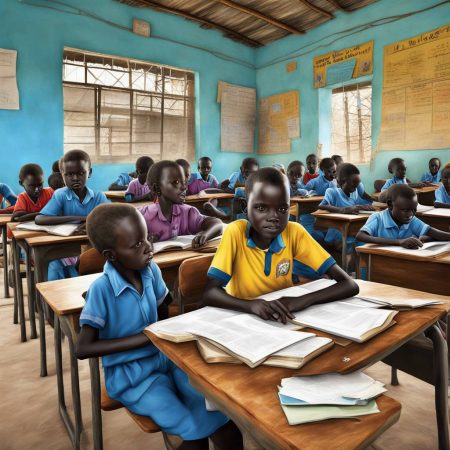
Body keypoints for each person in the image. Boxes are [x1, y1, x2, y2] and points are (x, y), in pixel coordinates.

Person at [76, 204, 243, 450]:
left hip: (165, 360)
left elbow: (163, 313)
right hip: (132, 376)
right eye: (136, 245)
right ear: (111, 255)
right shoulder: (101, 290)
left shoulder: (150, 270)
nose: (148, 247)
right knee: (194, 435)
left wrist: (183, 329)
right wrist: (146, 338)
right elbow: (83, 348)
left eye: (146, 238)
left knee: (223, 422)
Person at [203, 167, 358, 321]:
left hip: (282, 318)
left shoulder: (294, 232)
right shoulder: (235, 232)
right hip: (243, 318)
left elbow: (349, 284)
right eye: (261, 208)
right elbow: (210, 293)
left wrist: (301, 301)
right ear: (245, 206)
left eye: (282, 208)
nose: (273, 217)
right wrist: (250, 305)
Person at [36, 149, 109, 280]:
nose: (75, 178)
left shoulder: (99, 197)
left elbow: (112, 219)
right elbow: (40, 219)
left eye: (81, 173)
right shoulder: (61, 195)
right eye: (69, 174)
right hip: (64, 251)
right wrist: (81, 219)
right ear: (62, 175)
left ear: (89, 173)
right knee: (54, 267)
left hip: (92, 249)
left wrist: (91, 222)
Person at [139, 160, 223, 247]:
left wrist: (205, 234)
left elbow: (217, 223)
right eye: (176, 182)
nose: (184, 187)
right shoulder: (141, 216)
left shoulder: (188, 212)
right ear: (157, 189)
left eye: (184, 182)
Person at [356, 184, 450, 247]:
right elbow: (361, 236)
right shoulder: (378, 218)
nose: (410, 214)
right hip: (374, 263)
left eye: (414, 209)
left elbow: (435, 233)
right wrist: (399, 242)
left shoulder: (412, 220)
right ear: (390, 205)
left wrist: (429, 237)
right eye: (405, 210)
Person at [318, 163, 375, 253]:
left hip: (350, 232)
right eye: (353, 185)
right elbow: (321, 205)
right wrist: (343, 210)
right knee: (352, 249)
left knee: (365, 246)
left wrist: (363, 207)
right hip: (337, 236)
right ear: (342, 182)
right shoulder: (332, 192)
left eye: (357, 186)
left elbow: (354, 207)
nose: (355, 188)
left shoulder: (354, 192)